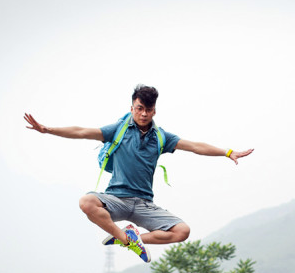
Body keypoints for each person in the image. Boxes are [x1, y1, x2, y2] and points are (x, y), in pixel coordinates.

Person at [24, 84, 253, 262]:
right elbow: (83, 131)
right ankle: (126, 238)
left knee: (182, 231)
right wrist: (47, 129)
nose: (143, 114)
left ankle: (127, 240)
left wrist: (227, 152)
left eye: (148, 110)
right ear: (132, 108)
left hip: (144, 204)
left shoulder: (162, 137)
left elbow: (195, 146)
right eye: (139, 109)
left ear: (154, 110)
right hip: (116, 199)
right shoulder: (119, 130)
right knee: (86, 202)